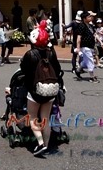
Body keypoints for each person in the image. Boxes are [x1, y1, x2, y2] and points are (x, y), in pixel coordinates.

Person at [20, 20, 62, 157]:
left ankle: (40, 144)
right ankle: (47, 144)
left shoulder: (30, 55)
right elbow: (58, 69)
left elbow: (23, 70)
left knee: (33, 117)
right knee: (45, 118)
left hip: (35, 91)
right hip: (50, 89)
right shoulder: (51, 53)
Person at [74, 11, 99, 82]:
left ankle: (78, 69)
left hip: (91, 46)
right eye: (88, 17)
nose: (90, 18)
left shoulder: (91, 26)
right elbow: (79, 37)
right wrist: (78, 47)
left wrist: (101, 42)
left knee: (86, 61)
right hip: (85, 46)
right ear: (84, 18)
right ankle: (92, 76)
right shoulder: (82, 26)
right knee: (90, 60)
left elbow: (95, 34)